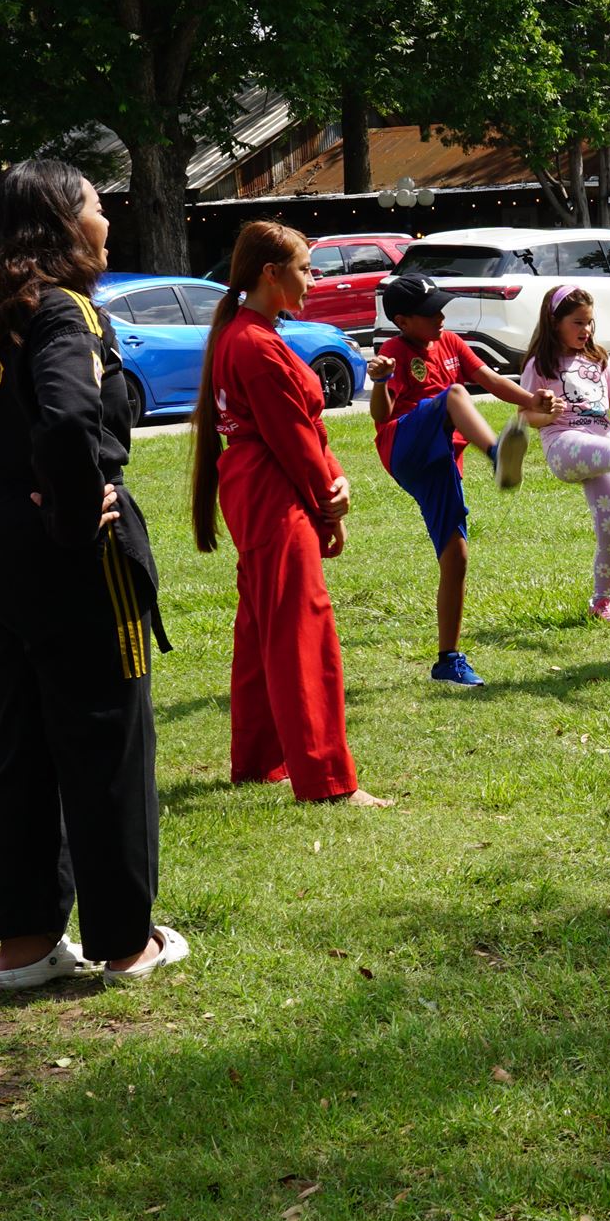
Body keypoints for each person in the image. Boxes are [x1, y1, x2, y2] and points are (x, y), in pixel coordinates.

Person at [0, 158, 184, 987]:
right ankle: (126, 943)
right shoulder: (62, 311)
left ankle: (26, 943)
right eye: (97, 203)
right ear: (62, 222)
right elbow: (73, 418)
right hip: (67, 561)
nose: (108, 217)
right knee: (108, 741)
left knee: (19, 745)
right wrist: (78, 518)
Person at [193, 220, 388, 808]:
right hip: (273, 494)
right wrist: (332, 500)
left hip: (256, 491)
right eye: (305, 268)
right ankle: (327, 781)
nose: (313, 278)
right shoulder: (255, 342)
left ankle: (257, 762)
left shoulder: (246, 334)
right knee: (303, 631)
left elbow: (298, 429)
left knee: (260, 631)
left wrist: (330, 483)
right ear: (270, 275)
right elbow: (294, 437)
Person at [365, 274, 553, 687]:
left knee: (456, 557)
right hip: (403, 445)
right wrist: (379, 381)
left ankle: (447, 660)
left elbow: (490, 380)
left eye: (442, 307)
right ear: (402, 319)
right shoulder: (395, 351)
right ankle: (496, 454)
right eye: (432, 312)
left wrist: (530, 399)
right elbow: (381, 416)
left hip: (442, 457)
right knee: (453, 394)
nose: (442, 316)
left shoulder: (449, 342)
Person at [518, 284, 610, 625]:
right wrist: (548, 414)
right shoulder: (541, 364)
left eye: (590, 322)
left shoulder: (598, 359)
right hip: (565, 445)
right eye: (578, 323)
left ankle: (601, 603)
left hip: (605, 449)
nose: (587, 330)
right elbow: (526, 415)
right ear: (555, 323)